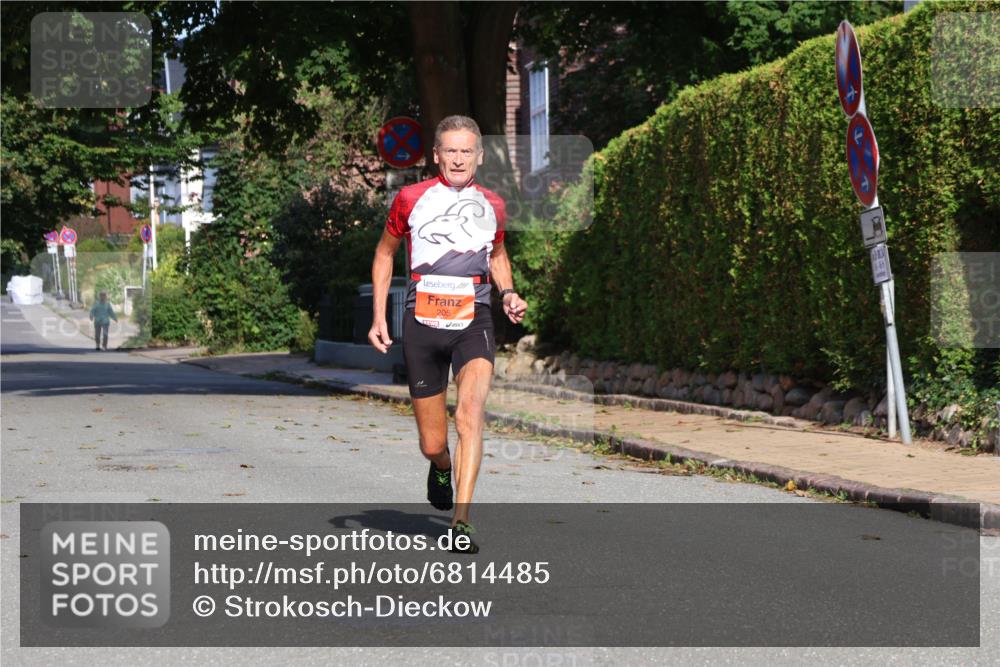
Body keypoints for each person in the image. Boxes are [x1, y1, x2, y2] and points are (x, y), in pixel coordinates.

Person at [368, 115, 527, 553]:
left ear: (480, 156)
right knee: (433, 442)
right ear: (436, 155)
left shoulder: (492, 204)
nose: (459, 159)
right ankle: (440, 466)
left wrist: (508, 293)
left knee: (470, 415)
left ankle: (461, 521)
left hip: (474, 320)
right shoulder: (410, 198)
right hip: (422, 323)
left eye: (466, 151)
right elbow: (384, 254)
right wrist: (379, 317)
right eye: (450, 151)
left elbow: (497, 254)